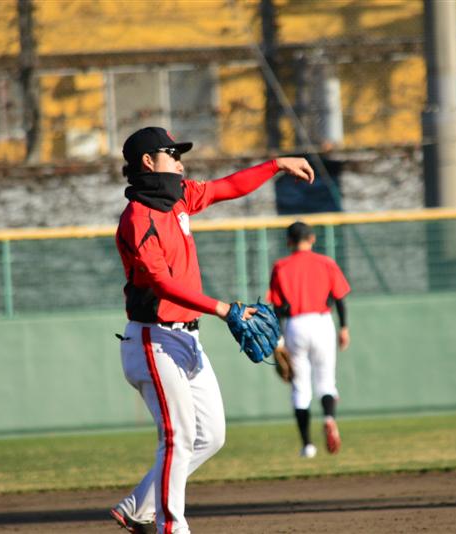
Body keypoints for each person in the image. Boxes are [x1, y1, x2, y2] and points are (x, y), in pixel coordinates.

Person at [110, 126, 314, 534]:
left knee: (211, 436)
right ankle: (172, 527)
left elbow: (227, 188)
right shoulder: (137, 218)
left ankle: (138, 507)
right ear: (148, 162)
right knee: (179, 436)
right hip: (153, 340)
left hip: (188, 338)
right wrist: (222, 308)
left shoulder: (180, 198)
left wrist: (276, 165)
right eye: (172, 153)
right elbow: (162, 283)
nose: (180, 161)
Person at [268, 221, 351, 458]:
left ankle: (308, 446)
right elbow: (339, 298)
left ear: (288, 242)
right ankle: (329, 418)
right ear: (312, 238)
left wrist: (279, 338)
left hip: (295, 325)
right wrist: (344, 328)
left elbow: (277, 307)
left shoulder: (280, 266)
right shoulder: (326, 263)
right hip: (322, 322)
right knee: (326, 382)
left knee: (300, 388)